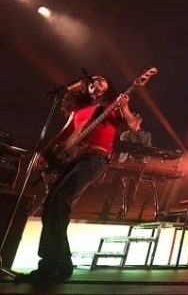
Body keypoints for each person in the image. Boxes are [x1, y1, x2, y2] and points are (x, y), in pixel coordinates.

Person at [17, 74, 138, 284]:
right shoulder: (79, 111)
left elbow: (134, 126)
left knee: (59, 200)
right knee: (51, 208)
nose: (96, 82)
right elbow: (65, 133)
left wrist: (125, 108)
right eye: (92, 80)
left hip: (95, 159)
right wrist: (44, 153)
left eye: (102, 79)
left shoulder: (112, 105)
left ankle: (49, 266)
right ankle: (62, 264)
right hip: (70, 159)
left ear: (108, 86)